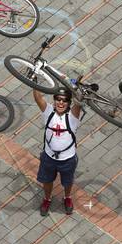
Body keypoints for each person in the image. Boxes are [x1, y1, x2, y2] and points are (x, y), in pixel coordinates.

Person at [33, 87, 81, 216]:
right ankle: (47, 199)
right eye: (58, 99)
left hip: (67, 158)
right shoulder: (48, 112)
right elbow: (38, 97)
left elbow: (78, 104)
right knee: (47, 180)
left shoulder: (72, 117)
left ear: (69, 103)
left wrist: (79, 91)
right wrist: (34, 81)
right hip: (49, 157)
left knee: (67, 181)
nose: (61, 103)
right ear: (54, 101)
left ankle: (67, 198)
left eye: (65, 100)